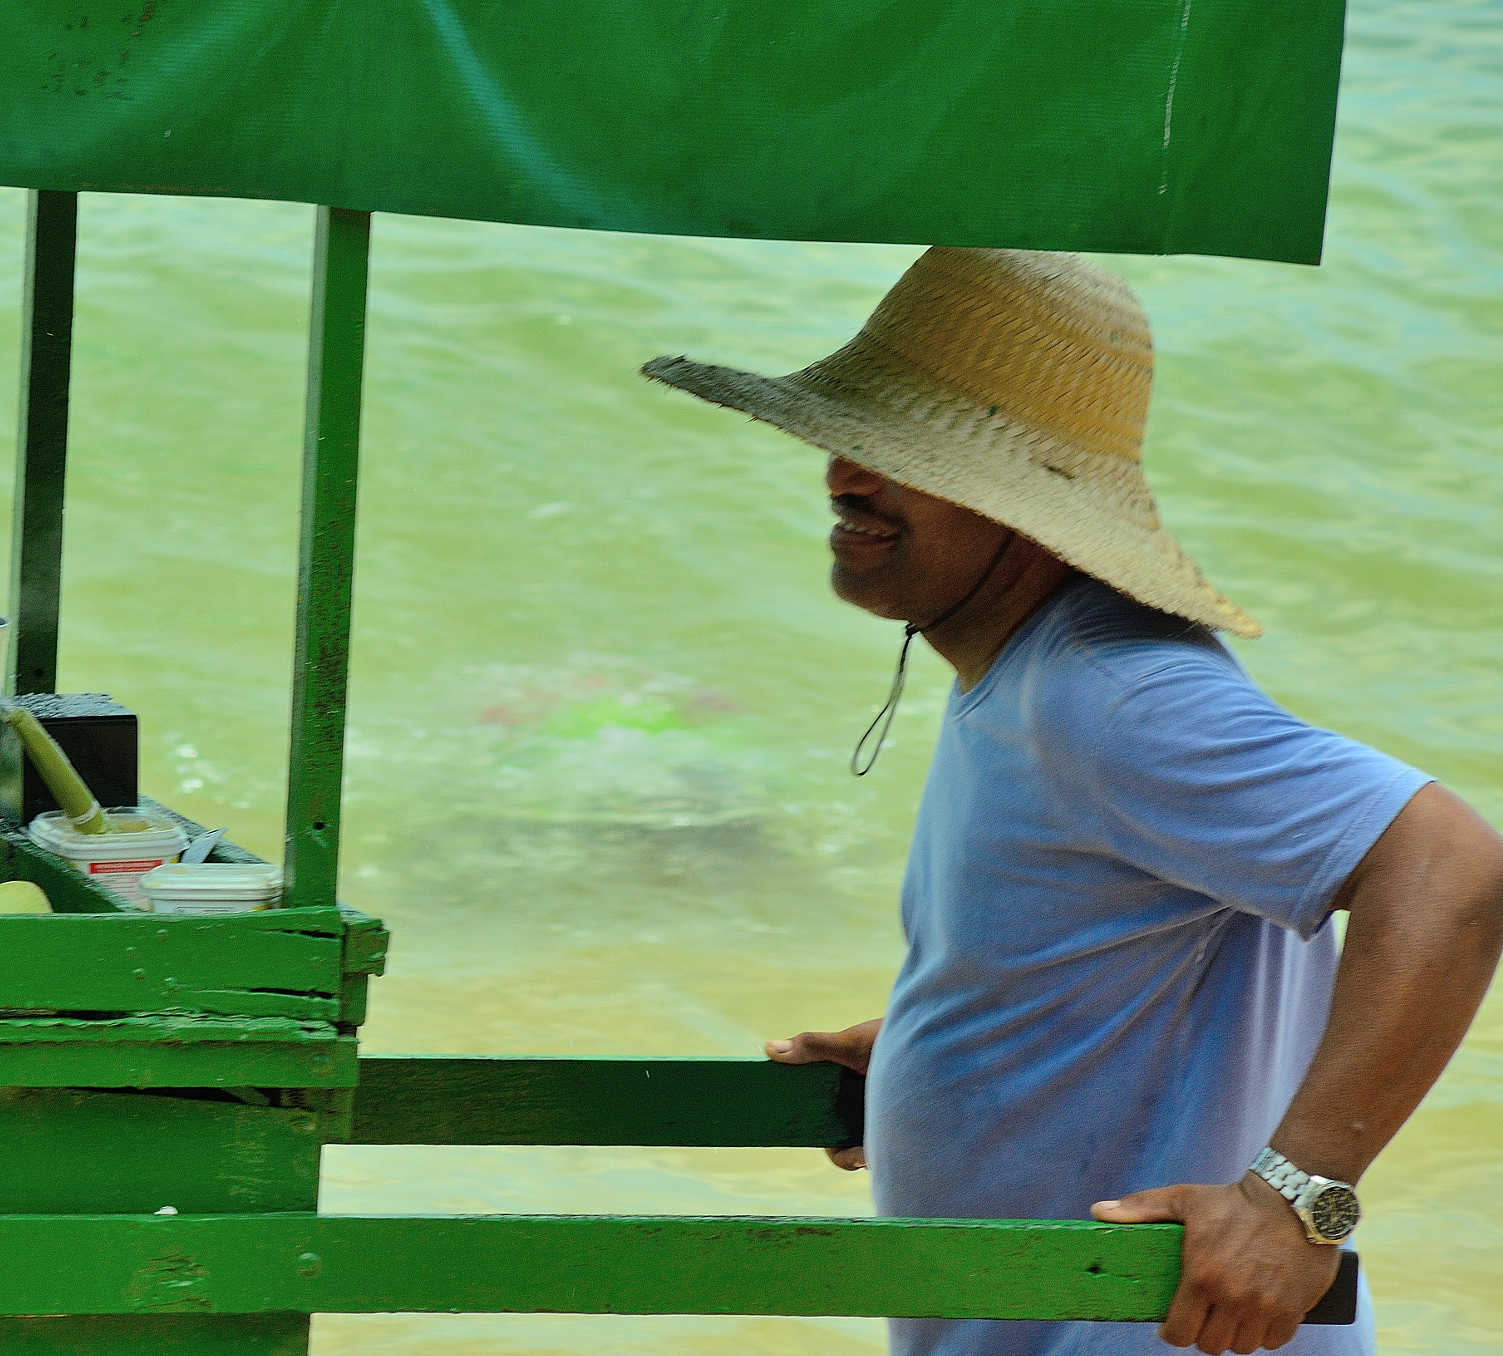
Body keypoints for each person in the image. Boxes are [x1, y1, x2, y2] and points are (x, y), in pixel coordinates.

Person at [642, 248, 1503, 1356]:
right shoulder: (1025, 674)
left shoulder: (1106, 694)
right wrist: (948, 1049)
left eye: (905, 453)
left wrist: (1297, 1203)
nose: (844, 473)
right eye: (848, 433)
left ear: (1027, 503)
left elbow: (1450, 870)